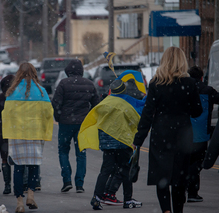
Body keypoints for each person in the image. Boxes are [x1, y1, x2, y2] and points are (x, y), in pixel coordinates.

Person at [132, 47, 203, 213]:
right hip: (183, 136)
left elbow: (147, 114)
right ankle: (178, 210)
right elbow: (197, 111)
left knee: (162, 178)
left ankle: (166, 211)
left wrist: (138, 140)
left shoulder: (156, 83)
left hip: (161, 135)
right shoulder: (190, 83)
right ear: (182, 61)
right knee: (179, 179)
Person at [77, 79, 145, 210]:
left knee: (105, 171)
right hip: (123, 143)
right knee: (125, 171)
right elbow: (135, 120)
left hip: (107, 145)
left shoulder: (104, 103)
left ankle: (96, 198)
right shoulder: (124, 104)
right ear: (123, 91)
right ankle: (128, 199)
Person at [2, 62, 53, 213]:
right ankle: (31, 195)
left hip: (17, 134)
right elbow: (49, 114)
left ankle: (19, 202)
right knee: (34, 165)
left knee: (18, 167)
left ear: (19, 74)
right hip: (35, 134)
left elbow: (6, 114)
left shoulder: (12, 92)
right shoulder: (42, 92)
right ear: (34, 73)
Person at [52, 59, 99, 193]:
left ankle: (67, 181)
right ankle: (79, 184)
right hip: (82, 124)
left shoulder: (63, 83)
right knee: (81, 153)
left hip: (65, 123)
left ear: (68, 71)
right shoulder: (89, 84)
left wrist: (59, 117)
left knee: (63, 151)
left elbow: (55, 103)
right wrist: (89, 118)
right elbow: (97, 104)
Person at [186, 66, 219, 202]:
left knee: (185, 162)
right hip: (201, 134)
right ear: (201, 77)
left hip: (185, 133)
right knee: (197, 163)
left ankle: (184, 188)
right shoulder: (208, 91)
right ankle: (193, 193)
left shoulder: (184, 89)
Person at [0, 74, 15, 195]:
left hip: (3, 132)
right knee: (18, 158)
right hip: (17, 130)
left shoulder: (0, 98)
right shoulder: (18, 97)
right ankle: (22, 183)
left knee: (5, 159)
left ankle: (7, 185)